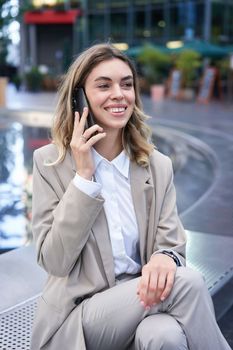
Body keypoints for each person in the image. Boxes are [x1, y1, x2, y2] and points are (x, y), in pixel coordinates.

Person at [31, 43, 230, 350]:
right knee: (187, 282)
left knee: (164, 337)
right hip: (81, 320)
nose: (119, 94)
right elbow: (55, 261)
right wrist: (83, 178)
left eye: (126, 84)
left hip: (146, 300)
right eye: (103, 85)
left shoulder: (157, 165)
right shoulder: (50, 164)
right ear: (79, 97)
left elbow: (172, 243)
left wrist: (165, 257)